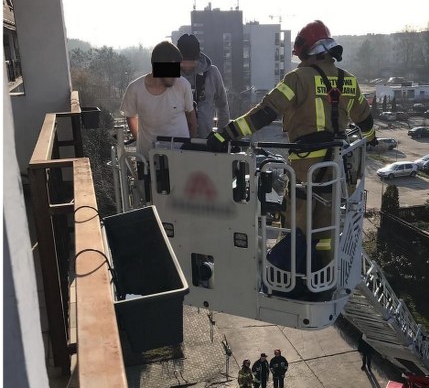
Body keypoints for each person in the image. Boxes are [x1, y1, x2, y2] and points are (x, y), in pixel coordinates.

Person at [207, 20, 376, 266]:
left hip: (305, 168)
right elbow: (366, 120)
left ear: (307, 51)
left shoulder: (298, 79)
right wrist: (371, 140)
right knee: (325, 227)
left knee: (295, 223)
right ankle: (324, 271)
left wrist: (225, 134)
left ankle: (291, 274)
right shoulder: (348, 80)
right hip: (338, 168)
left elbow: (264, 113)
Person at [120, 41, 196, 162]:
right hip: (147, 159)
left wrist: (191, 147)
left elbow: (191, 115)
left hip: (180, 159)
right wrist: (140, 142)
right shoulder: (134, 89)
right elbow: (130, 116)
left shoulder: (183, 85)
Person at [177, 33, 230, 136]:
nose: (187, 66)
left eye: (191, 62)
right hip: (176, 140)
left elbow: (222, 105)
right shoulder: (169, 77)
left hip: (205, 138)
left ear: (198, 57)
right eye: (183, 62)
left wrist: (221, 135)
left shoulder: (212, 73)